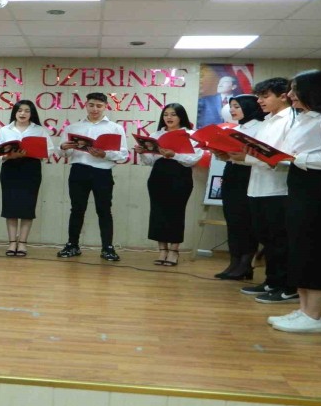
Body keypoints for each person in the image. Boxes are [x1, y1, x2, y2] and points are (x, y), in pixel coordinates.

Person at [267, 70, 321, 333]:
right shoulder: (305, 118)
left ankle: (314, 316)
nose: (290, 95)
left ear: (314, 91)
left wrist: (294, 158)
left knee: (313, 251)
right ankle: (304, 309)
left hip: (320, 192)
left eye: (295, 89)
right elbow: (292, 153)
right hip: (300, 188)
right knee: (299, 250)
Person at [228, 78, 297, 303]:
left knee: (280, 241)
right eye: (259, 96)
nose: (260, 101)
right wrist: (233, 156)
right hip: (256, 187)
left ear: (283, 96)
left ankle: (286, 286)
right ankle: (271, 281)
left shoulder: (291, 119)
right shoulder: (266, 121)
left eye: (265, 96)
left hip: (278, 189)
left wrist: (247, 157)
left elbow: (285, 157)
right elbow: (255, 154)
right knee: (266, 239)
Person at [56, 92, 128, 262]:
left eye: (99, 106)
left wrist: (105, 154)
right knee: (77, 209)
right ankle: (72, 245)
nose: (95, 109)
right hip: (78, 170)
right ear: (86, 105)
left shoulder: (115, 128)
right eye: (91, 105)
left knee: (104, 210)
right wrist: (63, 148)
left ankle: (107, 248)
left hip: (102, 172)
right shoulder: (73, 127)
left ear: (105, 107)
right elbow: (63, 153)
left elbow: (123, 154)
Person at [136, 103, 202, 266]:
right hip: (158, 176)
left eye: (173, 114)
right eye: (166, 114)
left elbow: (193, 159)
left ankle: (174, 251)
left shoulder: (190, 135)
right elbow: (150, 161)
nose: (169, 118)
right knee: (158, 212)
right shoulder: (156, 134)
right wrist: (143, 153)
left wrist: (174, 155)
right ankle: (162, 250)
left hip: (180, 175)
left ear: (181, 116)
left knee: (176, 213)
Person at [211, 95, 265, 280]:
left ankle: (245, 264)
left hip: (249, 175)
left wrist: (240, 156)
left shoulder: (261, 127)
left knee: (246, 221)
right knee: (233, 220)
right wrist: (221, 153)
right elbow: (231, 155)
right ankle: (234, 262)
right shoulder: (235, 129)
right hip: (232, 173)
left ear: (249, 107)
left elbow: (260, 155)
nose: (232, 110)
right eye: (231, 106)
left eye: (236, 106)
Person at [0, 100, 57, 257]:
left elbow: (49, 150)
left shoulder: (39, 130)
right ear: (15, 112)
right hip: (10, 169)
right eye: (19, 110)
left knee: (27, 207)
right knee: (10, 207)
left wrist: (35, 152)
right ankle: (11, 243)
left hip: (31, 169)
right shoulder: (5, 130)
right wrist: (10, 155)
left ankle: (22, 243)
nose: (23, 113)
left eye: (27, 111)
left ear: (32, 113)